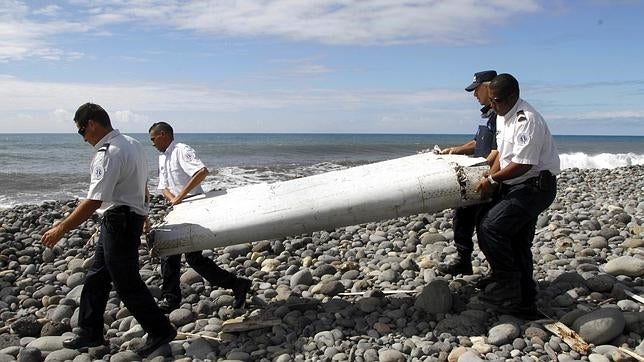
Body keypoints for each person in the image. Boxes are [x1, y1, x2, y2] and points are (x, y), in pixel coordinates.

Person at [41, 103, 176, 357]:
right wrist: (143, 213)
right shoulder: (132, 144)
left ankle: (160, 329)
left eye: (82, 131)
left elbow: (94, 201)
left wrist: (61, 228)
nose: (83, 139)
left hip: (119, 221)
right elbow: (141, 183)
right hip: (124, 218)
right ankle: (89, 330)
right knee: (97, 276)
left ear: (92, 124)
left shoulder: (109, 152)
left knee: (126, 282)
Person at [476, 73, 560, 317]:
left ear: (514, 97)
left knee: (492, 228)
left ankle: (508, 285)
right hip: (516, 185)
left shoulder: (527, 120)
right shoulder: (503, 115)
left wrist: (492, 179)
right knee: (516, 240)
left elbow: (523, 164)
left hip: (535, 187)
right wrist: (491, 180)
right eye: (491, 100)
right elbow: (503, 154)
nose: (492, 105)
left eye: (497, 101)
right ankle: (524, 302)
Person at [149, 122, 251, 313]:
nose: (152, 144)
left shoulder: (181, 150)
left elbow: (201, 172)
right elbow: (163, 186)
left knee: (186, 256)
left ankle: (171, 299)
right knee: (180, 255)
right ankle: (236, 285)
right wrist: (173, 199)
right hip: (178, 209)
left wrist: (180, 197)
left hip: (194, 206)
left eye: (153, 139)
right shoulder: (162, 157)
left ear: (163, 135)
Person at [437, 70, 498, 276]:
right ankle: (463, 260)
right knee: (461, 217)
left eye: (476, 90)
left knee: (486, 226)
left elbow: (499, 151)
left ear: (490, 87)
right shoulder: (486, 114)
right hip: (477, 173)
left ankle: (497, 271)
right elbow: (477, 143)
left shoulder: (500, 115)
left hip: (489, 177)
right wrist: (455, 150)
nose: (474, 95)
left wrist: (488, 177)